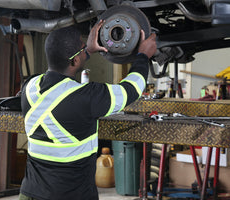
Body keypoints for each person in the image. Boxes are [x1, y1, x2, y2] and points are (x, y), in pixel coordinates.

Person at [19, 20, 157, 200]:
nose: (86, 50)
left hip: (29, 193)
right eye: (83, 48)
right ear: (76, 60)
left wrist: (88, 50)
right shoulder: (86, 97)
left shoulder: (29, 87)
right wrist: (143, 56)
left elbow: (66, 67)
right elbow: (131, 89)